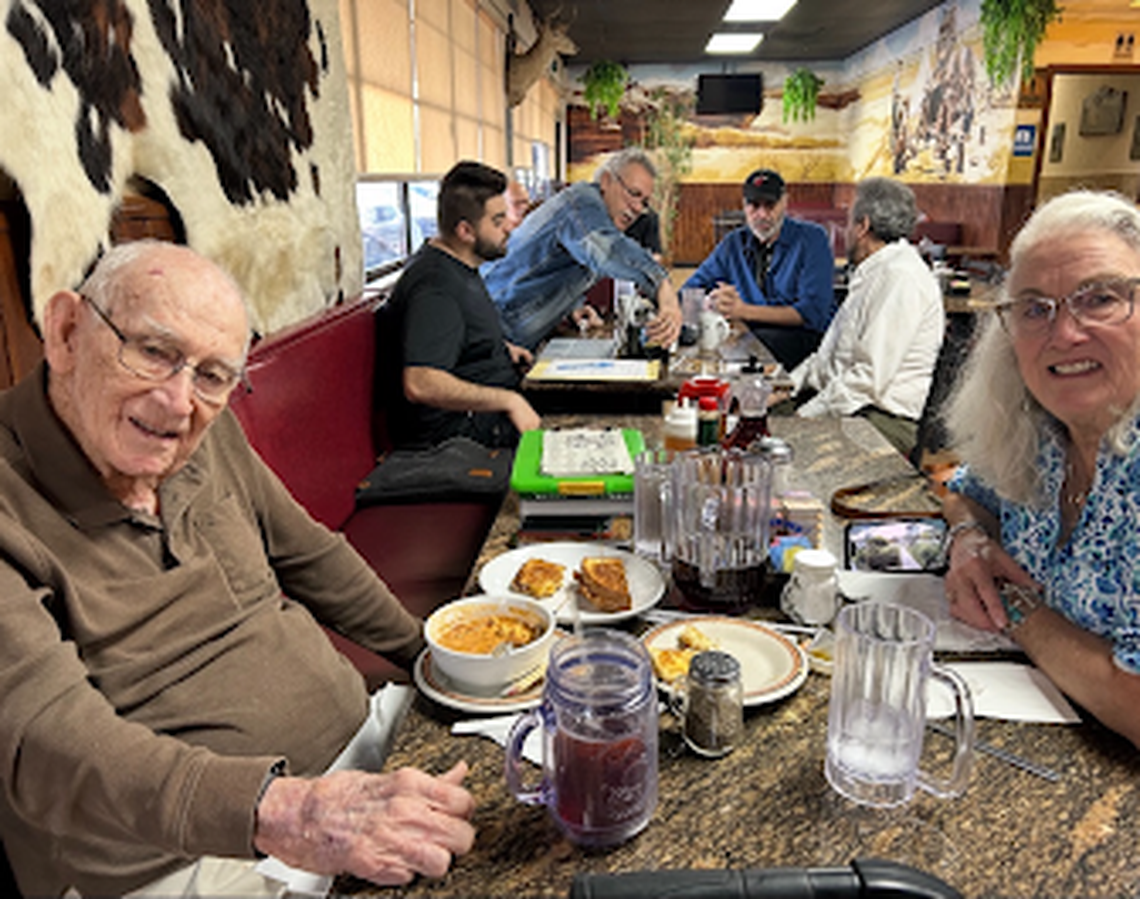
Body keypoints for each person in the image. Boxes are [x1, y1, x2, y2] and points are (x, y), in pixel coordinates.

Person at [0, 241, 476, 897]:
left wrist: (441, 660)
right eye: (152, 351)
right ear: (66, 331)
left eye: (213, 374)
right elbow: (49, 742)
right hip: (187, 857)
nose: (177, 401)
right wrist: (285, 810)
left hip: (350, 769)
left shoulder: (202, 427)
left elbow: (309, 553)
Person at [941, 190, 1140, 748]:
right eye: (1034, 308)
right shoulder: (1038, 430)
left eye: (1099, 298)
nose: (1064, 333)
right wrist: (969, 541)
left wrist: (1016, 608)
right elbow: (961, 492)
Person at [380, 161, 541, 450]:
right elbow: (420, 382)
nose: (508, 227)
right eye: (497, 220)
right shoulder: (436, 286)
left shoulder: (458, 264)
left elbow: (453, 335)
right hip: (456, 438)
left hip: (483, 417)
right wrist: (509, 401)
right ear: (466, 231)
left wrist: (500, 348)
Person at [784, 177, 944, 456]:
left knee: (786, 453)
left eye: (848, 222)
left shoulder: (901, 277)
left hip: (880, 419)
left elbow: (867, 380)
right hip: (849, 403)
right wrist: (785, 386)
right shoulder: (873, 271)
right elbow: (827, 359)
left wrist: (805, 418)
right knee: (753, 418)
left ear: (863, 226)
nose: (845, 231)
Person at [481, 147, 683, 350]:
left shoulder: (599, 218)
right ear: (606, 180)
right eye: (634, 193)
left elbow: (554, 268)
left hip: (514, 342)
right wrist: (662, 284)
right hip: (489, 334)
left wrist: (572, 307)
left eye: (644, 202)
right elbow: (607, 252)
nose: (638, 208)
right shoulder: (581, 203)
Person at [682, 168, 836, 370]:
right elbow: (691, 289)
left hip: (806, 341)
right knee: (703, 346)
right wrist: (710, 301)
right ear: (744, 206)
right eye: (754, 206)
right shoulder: (733, 244)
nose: (762, 215)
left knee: (743, 351)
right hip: (752, 337)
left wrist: (743, 311)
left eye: (770, 205)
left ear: (784, 202)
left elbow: (812, 313)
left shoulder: (812, 239)